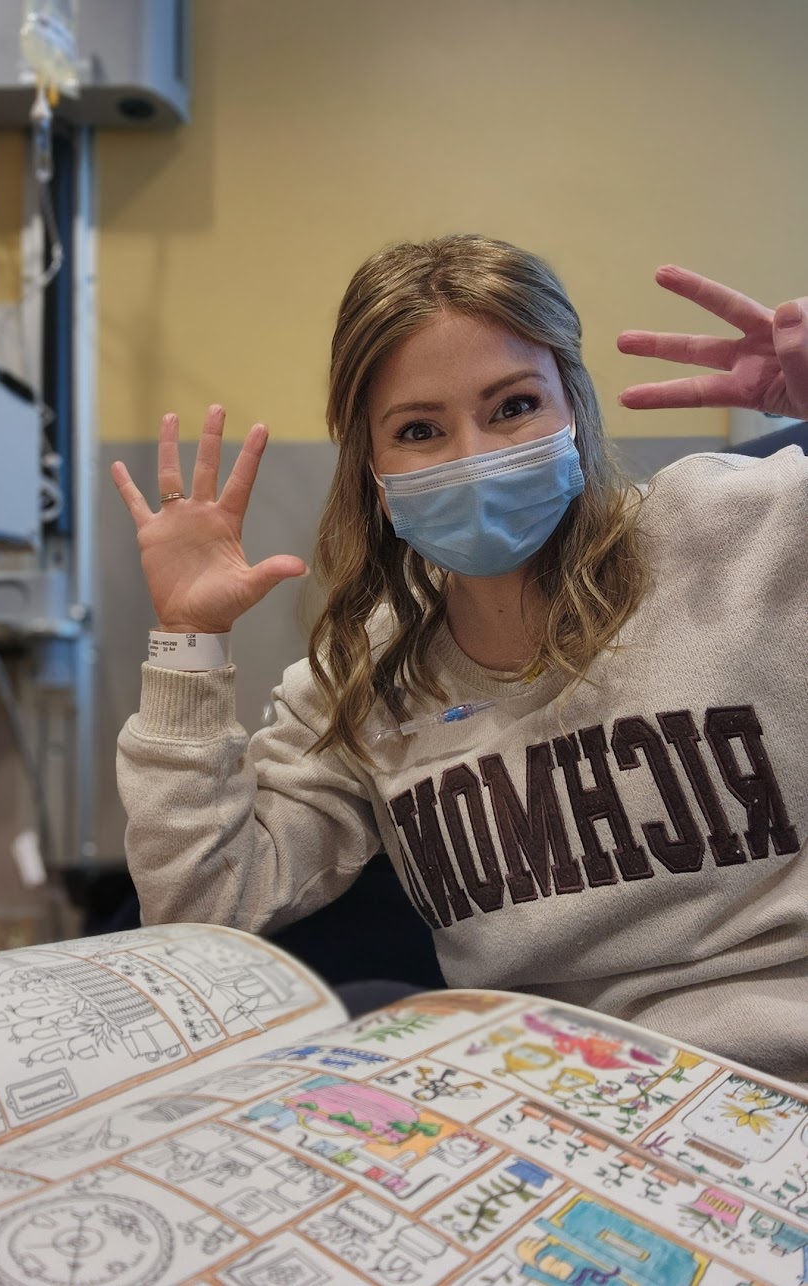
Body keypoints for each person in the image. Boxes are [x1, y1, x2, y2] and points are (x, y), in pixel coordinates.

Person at [112, 237, 807, 1081]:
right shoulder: (361, 679)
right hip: (549, 1103)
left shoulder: (747, 530)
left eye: (513, 407)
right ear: (372, 470)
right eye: (419, 430)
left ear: (575, 407)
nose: (474, 456)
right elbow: (202, 906)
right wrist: (186, 641)